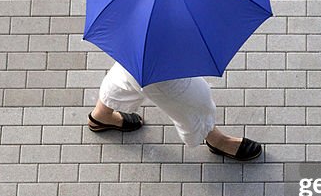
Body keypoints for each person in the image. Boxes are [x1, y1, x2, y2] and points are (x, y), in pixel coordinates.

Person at [87, 62, 263, 162]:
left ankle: (102, 115)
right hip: (160, 68)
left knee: (125, 72)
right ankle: (217, 141)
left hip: (134, 47)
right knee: (194, 102)